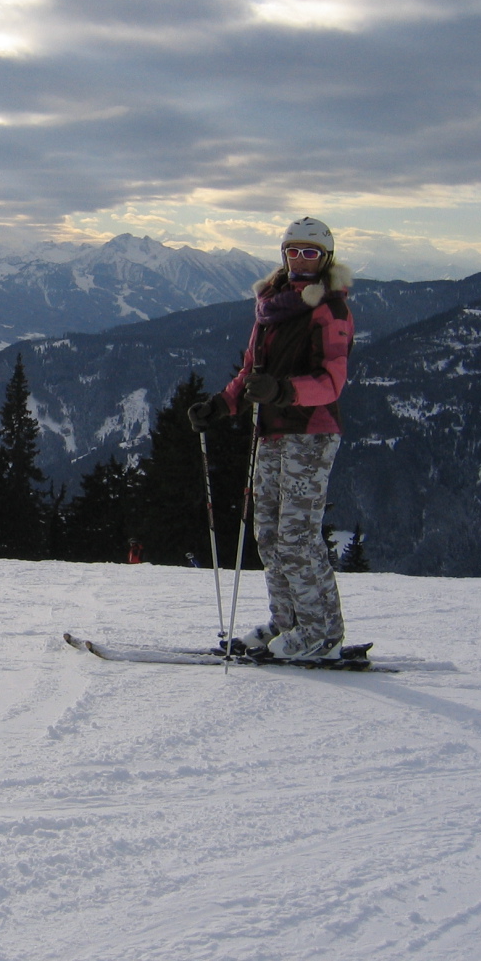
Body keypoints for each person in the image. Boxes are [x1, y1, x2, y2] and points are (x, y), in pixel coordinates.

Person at [188, 217, 355, 661]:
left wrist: (284, 391)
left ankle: (321, 631)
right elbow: (250, 372)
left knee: (298, 536)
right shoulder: (271, 306)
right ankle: (288, 622)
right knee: (268, 535)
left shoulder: (330, 309)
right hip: (272, 432)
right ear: (283, 255)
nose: (301, 260)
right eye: (294, 251)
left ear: (326, 259)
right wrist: (221, 405)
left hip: (310, 433)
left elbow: (332, 381)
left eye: (311, 253)